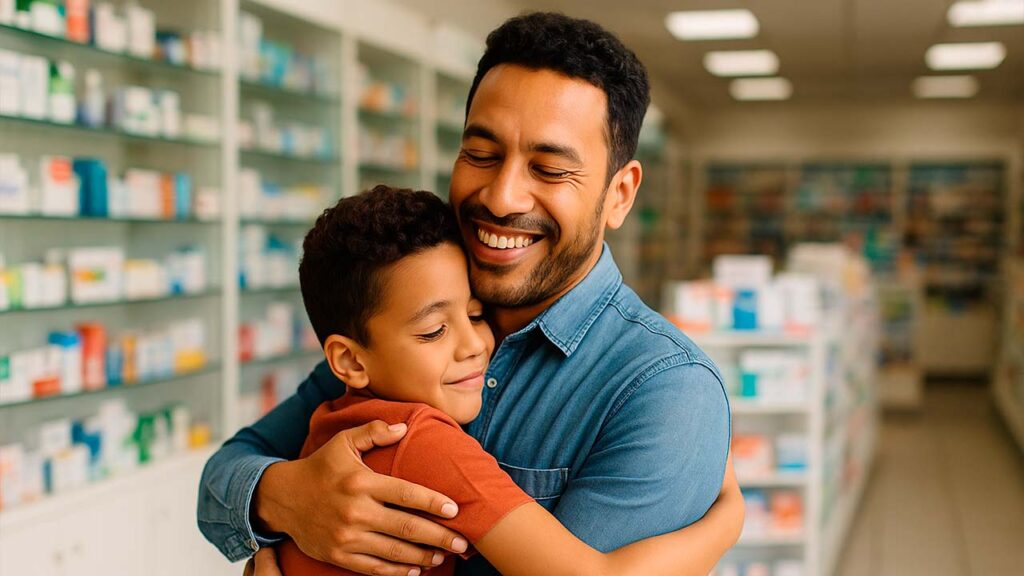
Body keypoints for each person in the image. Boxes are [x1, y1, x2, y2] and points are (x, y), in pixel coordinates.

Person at [200, 12, 735, 576]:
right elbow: (219, 483)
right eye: (481, 154)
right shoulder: (401, 319)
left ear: (619, 194)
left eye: (550, 169)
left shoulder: (665, 390)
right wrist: (289, 496)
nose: (502, 198)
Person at [273, 185, 741, 576]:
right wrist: (725, 524)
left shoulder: (335, 421)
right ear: (349, 361)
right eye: (434, 331)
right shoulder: (422, 443)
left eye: (477, 315)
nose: (473, 344)